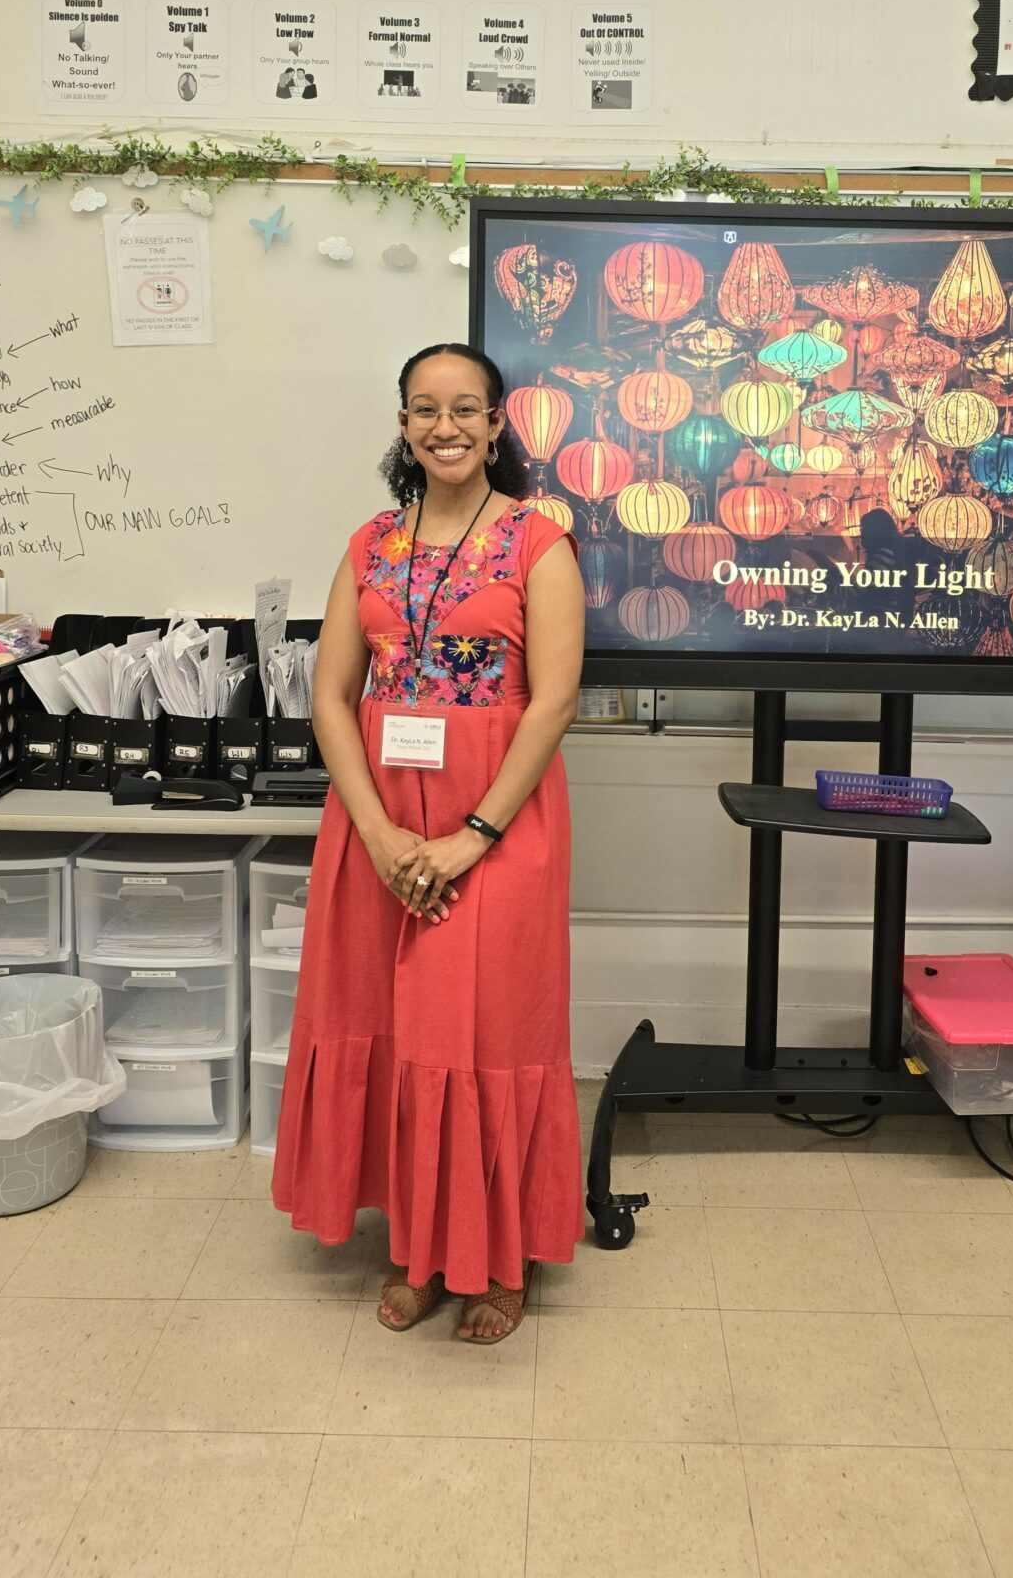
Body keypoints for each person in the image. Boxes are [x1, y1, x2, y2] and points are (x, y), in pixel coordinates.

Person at [273, 342, 586, 1343]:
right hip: (375, 822)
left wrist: (468, 837)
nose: (443, 425)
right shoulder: (368, 544)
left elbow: (551, 702)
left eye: (465, 408)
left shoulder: (538, 542)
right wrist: (375, 831)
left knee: (485, 1030)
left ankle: (498, 1257)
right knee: (398, 1029)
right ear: (402, 424)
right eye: (423, 408)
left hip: (496, 822)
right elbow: (330, 694)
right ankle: (416, 1244)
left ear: (498, 423)